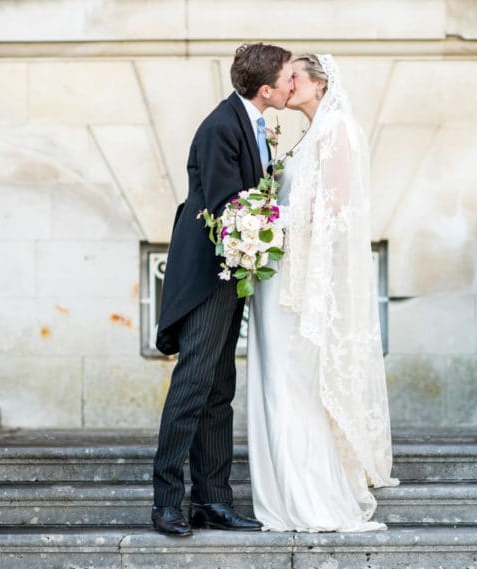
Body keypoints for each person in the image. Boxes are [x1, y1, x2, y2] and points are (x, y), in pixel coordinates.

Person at [246, 53, 398, 532]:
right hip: (280, 277)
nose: (284, 83)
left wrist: (268, 222)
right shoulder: (306, 135)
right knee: (277, 383)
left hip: (302, 283)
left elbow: (334, 213)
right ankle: (283, 494)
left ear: (319, 82)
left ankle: (311, 499)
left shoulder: (339, 130)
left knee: (296, 386)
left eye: (293, 76)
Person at [150, 43, 293, 538]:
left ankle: (213, 500)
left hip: (232, 272)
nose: (291, 84)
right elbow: (228, 206)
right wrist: (281, 227)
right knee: (193, 383)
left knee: (218, 391)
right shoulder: (219, 126)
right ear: (266, 88)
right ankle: (167, 501)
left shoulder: (253, 124)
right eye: (286, 77)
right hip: (208, 274)